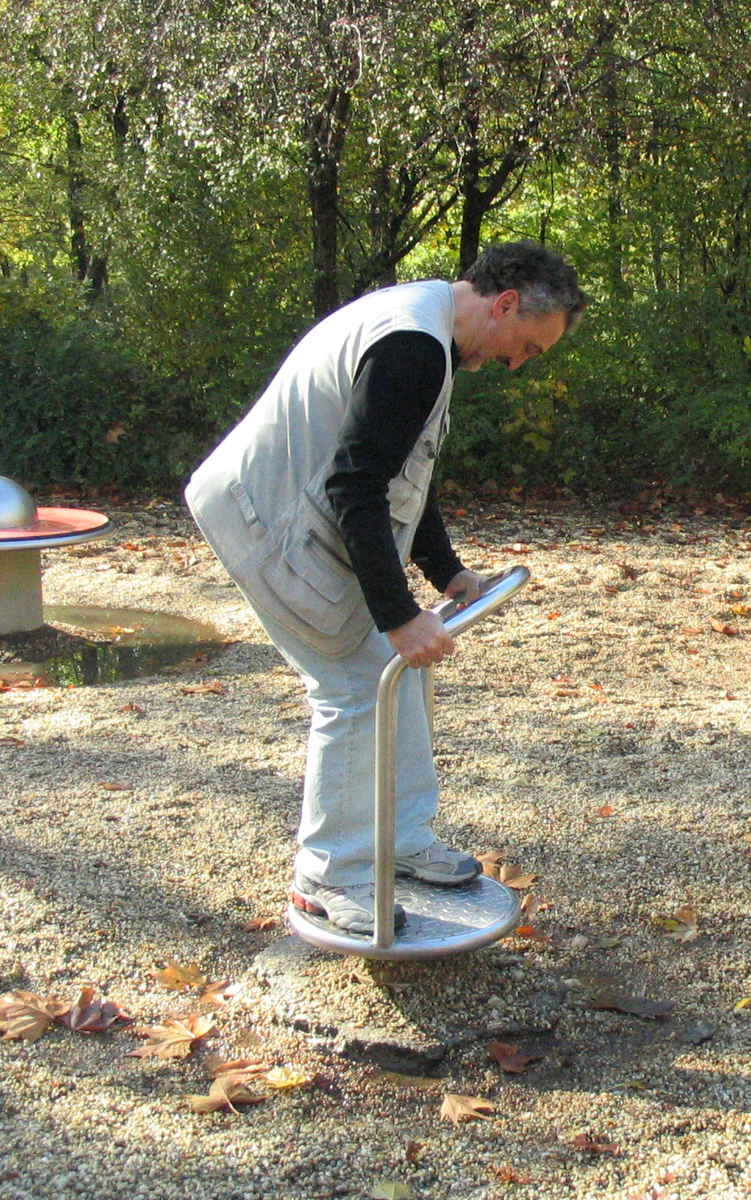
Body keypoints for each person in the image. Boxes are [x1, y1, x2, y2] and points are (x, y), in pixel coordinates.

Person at [186, 242, 587, 934]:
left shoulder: (431, 332)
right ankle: (326, 879)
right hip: (261, 517)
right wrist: (399, 615)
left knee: (390, 674)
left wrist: (446, 573)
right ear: (506, 304)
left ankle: (400, 841)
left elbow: (404, 472)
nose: (518, 364)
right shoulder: (412, 347)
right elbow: (356, 485)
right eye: (527, 346)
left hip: (295, 511)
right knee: (353, 687)